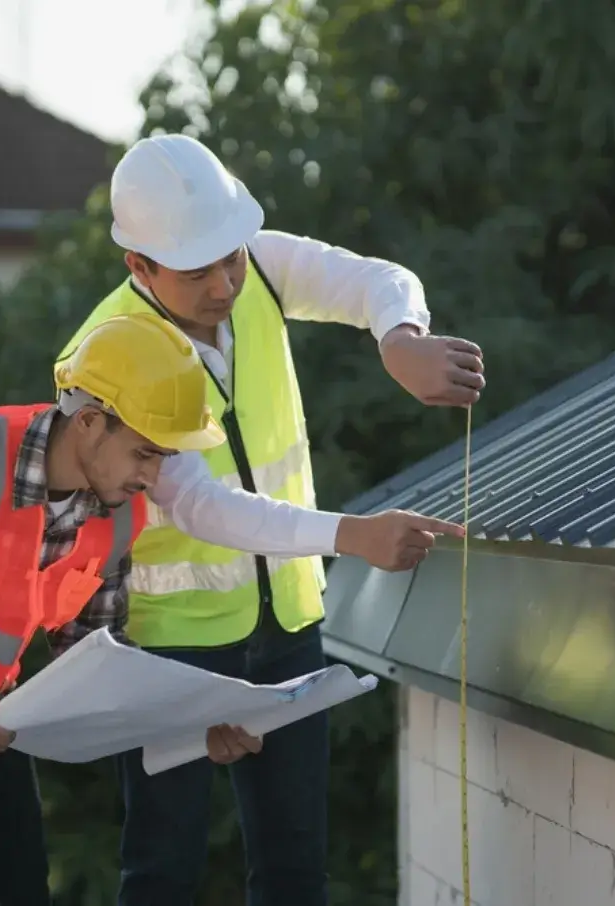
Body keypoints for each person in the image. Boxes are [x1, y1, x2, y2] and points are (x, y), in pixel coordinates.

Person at [56, 133, 486, 906]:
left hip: (288, 624)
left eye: (232, 258)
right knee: (162, 871)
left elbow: (378, 281)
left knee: (295, 871)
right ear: (140, 268)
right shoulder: (105, 356)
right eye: (199, 272)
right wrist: (349, 535)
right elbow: (198, 503)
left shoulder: (254, 265)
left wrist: (400, 339)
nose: (226, 283)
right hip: (170, 648)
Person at [0, 311, 461, 906]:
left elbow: (92, 670)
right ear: (92, 423)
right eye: (146, 454)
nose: (153, 477)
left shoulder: (116, 515)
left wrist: (188, 726)